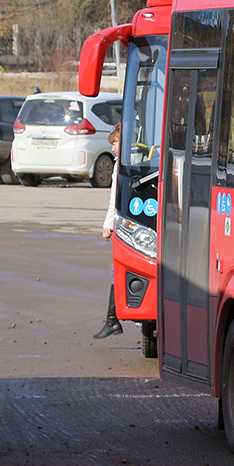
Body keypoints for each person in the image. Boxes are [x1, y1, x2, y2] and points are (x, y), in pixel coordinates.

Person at [95, 123, 123, 340]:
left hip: (122, 224)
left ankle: (112, 320)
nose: (113, 148)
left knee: (118, 270)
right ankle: (111, 319)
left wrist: (108, 224)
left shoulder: (122, 165)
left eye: (115, 143)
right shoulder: (119, 163)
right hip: (123, 222)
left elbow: (114, 199)